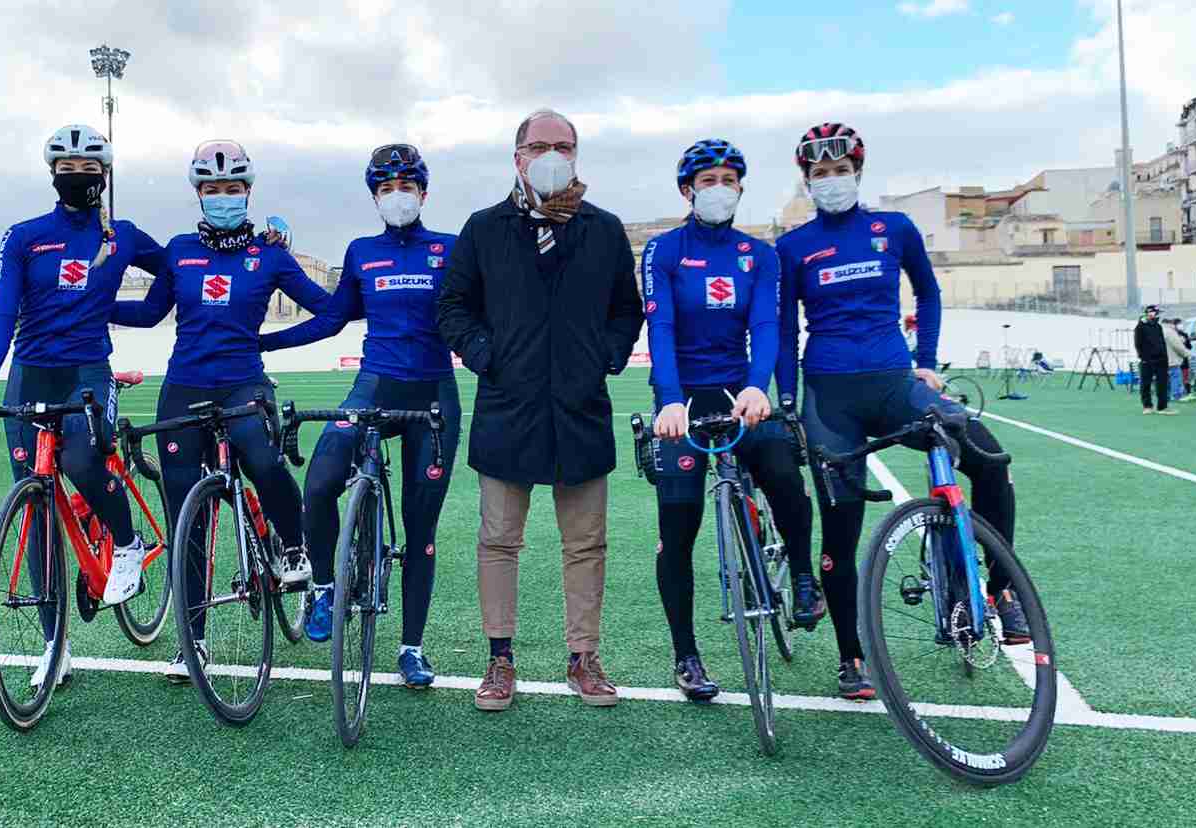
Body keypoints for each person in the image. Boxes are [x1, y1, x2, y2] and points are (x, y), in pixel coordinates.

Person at [773, 123, 1029, 700]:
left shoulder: (896, 229)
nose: (831, 181)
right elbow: (784, 330)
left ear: (858, 173)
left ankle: (998, 589)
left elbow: (930, 292)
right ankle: (851, 656)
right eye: (820, 174)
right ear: (807, 182)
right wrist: (789, 402)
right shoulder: (792, 248)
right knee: (840, 529)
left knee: (988, 456)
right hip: (829, 395)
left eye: (840, 171)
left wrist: (928, 359)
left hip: (895, 383)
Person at [437, 108, 645, 712]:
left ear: (577, 154)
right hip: (509, 407)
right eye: (539, 145)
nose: (551, 154)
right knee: (498, 540)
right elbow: (452, 306)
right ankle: (500, 658)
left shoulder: (604, 231)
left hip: (580, 409)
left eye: (564, 145)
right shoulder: (482, 229)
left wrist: (603, 356)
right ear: (517, 156)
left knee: (586, 542)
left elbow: (625, 309)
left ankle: (584, 657)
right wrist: (487, 357)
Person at [109, 140, 326, 682]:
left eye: (232, 189)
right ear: (198, 194)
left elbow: (331, 309)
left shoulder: (270, 254)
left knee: (261, 457)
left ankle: (294, 547)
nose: (222, 197)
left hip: (243, 384)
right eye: (212, 189)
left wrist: (273, 346)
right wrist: (88, 305)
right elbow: (150, 311)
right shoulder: (180, 250)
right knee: (189, 518)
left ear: (247, 192)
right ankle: (195, 642)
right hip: (183, 386)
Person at [0, 124, 170, 687]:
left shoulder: (123, 235)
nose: (78, 179)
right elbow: (3, 312)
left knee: (81, 461)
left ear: (105, 176)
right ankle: (56, 647)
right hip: (30, 377)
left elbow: (177, 271)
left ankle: (127, 544)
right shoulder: (25, 236)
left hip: (87, 371)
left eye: (89, 170)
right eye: (67, 170)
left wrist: (125, 312)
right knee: (35, 509)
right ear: (51, 174)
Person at [259, 144, 462, 689]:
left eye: (406, 186)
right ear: (375, 197)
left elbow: (480, 314)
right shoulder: (361, 251)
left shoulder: (451, 248)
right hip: (372, 387)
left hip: (433, 397)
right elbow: (330, 320)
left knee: (422, 530)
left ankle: (412, 648)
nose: (397, 195)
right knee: (321, 478)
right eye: (385, 188)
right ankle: (325, 589)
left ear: (423, 192)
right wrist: (263, 344)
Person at [639, 139, 817, 701]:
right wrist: (669, 398)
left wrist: (756, 390)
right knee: (679, 523)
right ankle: (686, 654)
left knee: (783, 469)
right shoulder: (664, 250)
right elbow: (660, 328)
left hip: (738, 389)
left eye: (728, 179)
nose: (720, 188)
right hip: (682, 398)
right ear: (688, 190)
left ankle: (806, 574)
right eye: (707, 179)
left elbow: (766, 326)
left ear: (740, 186)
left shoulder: (759, 255)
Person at [1133, 305, 1171, 414]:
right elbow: (1138, 344)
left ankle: (1162, 407)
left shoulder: (1158, 326)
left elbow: (1162, 344)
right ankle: (1147, 406)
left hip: (1161, 360)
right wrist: (1143, 358)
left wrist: (1165, 358)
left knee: (1162, 384)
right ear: (1150, 313)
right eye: (1156, 313)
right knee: (1146, 384)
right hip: (1147, 361)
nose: (1158, 315)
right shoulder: (1140, 327)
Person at [1163, 314, 1190, 402]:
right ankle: (1176, 394)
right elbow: (1177, 346)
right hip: (1172, 359)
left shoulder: (1158, 330)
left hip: (1160, 360)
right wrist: (1186, 354)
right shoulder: (1170, 331)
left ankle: (1165, 396)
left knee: (1164, 379)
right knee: (1175, 377)